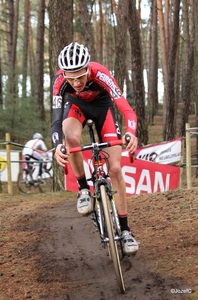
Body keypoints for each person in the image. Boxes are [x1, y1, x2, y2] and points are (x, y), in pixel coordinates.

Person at [51, 42, 139, 254]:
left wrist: (131, 132)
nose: (76, 82)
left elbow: (127, 110)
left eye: (80, 76)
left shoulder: (101, 74)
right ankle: (83, 190)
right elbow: (55, 121)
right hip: (75, 107)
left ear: (88, 68)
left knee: (116, 169)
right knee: (70, 137)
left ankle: (126, 231)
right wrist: (56, 146)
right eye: (70, 77)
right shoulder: (60, 82)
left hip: (102, 107)